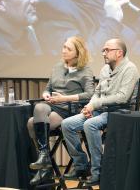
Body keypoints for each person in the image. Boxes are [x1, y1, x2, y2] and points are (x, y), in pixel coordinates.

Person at [61, 38, 139, 186]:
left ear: (119, 53)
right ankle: (81, 165)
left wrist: (96, 104)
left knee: (90, 125)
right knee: (67, 124)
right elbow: (97, 92)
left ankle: (98, 171)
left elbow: (123, 97)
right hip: (101, 111)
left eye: (107, 50)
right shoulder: (105, 69)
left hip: (120, 112)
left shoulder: (130, 68)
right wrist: (90, 106)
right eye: (103, 50)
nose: (103, 53)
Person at [27, 36, 94, 186]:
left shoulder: (85, 70)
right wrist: (46, 94)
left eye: (68, 49)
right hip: (53, 106)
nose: (63, 51)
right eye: (63, 47)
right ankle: (45, 159)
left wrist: (65, 98)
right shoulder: (57, 67)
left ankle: (45, 168)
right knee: (38, 107)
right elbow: (48, 87)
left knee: (32, 123)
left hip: (69, 109)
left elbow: (90, 94)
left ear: (78, 53)